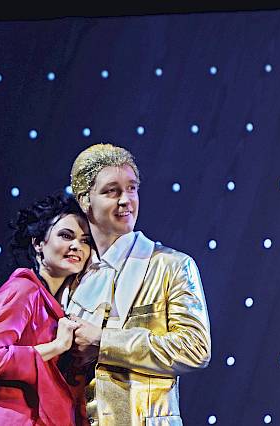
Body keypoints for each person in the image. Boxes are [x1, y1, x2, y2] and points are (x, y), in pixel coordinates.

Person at [65, 143, 212, 425]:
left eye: (131, 189)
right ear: (85, 200)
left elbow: (195, 349)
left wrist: (104, 341)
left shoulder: (170, 265)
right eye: (112, 191)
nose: (126, 200)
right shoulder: (74, 276)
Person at [0, 193, 92, 426]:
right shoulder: (23, 289)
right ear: (38, 243)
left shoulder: (62, 303)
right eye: (66, 235)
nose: (77, 246)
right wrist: (56, 346)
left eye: (85, 241)